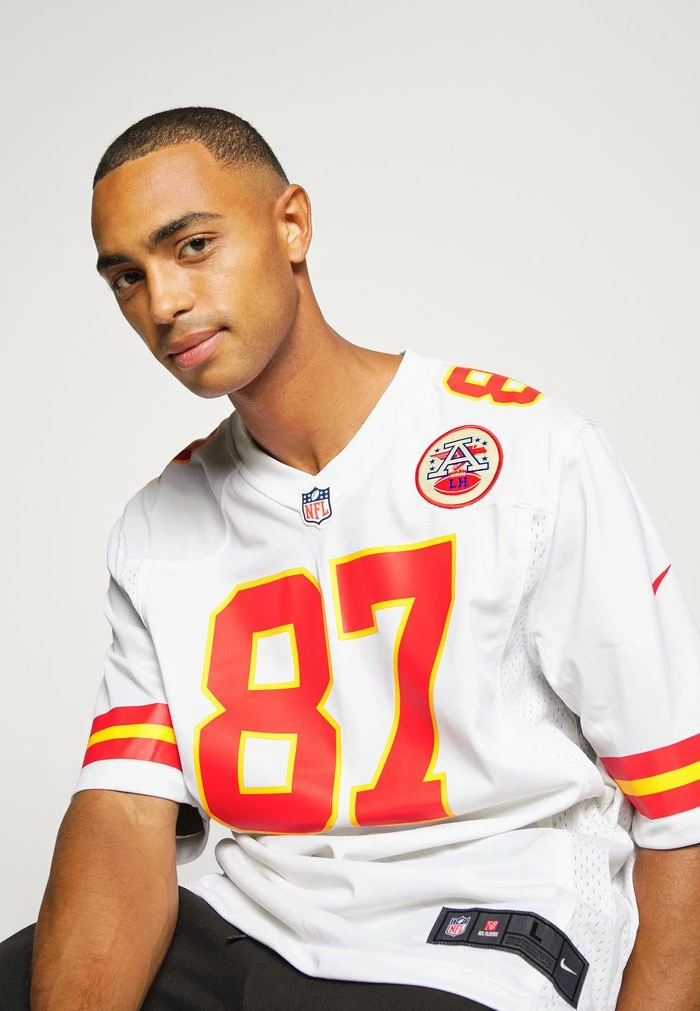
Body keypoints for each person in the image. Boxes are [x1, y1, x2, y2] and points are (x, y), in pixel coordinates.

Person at [1, 106, 698, 1011]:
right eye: (127, 277)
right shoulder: (157, 526)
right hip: (259, 923)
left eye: (193, 246)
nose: (162, 303)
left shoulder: (534, 453)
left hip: (477, 938)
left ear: (292, 224)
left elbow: (680, 803)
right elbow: (126, 807)